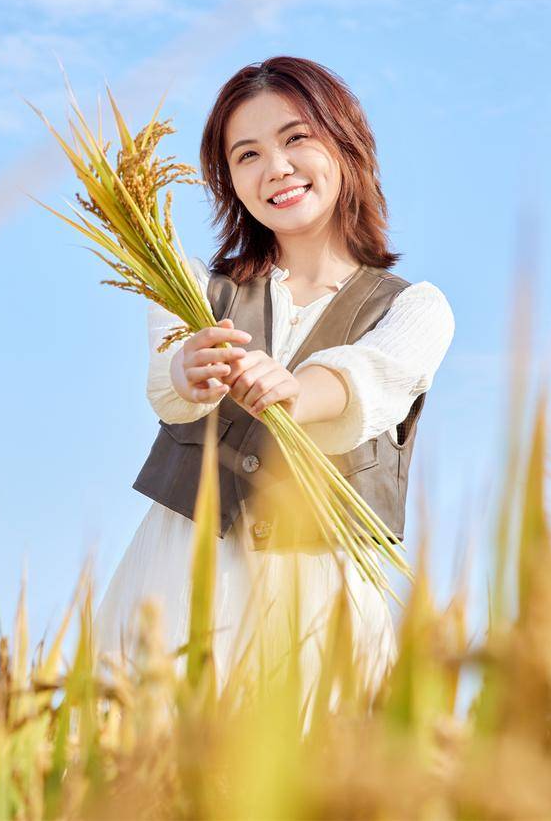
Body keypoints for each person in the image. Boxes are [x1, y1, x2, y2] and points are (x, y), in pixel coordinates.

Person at [94, 57, 455, 707]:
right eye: (248, 155)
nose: (277, 168)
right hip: (179, 579)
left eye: (296, 139)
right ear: (230, 181)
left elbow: (374, 378)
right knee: (145, 756)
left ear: (346, 143)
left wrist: (298, 390)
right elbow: (169, 383)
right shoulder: (195, 288)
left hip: (318, 600)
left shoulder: (414, 308)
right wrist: (187, 368)